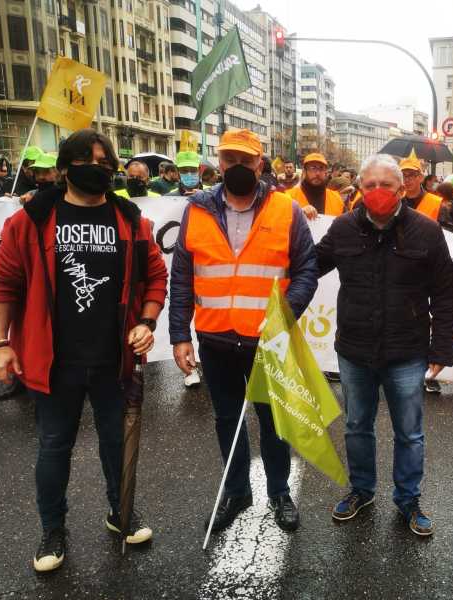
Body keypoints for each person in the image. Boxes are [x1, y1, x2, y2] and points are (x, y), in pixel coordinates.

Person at [0, 128, 168, 572]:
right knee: (53, 447)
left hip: (113, 361)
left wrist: (146, 321)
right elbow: (3, 283)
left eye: (107, 163)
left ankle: (119, 513)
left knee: (114, 444)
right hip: (54, 362)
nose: (100, 169)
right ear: (65, 168)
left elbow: (156, 277)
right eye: (89, 161)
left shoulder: (130, 218)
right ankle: (52, 529)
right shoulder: (31, 219)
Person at [169, 129, 318, 533]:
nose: (237, 167)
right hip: (216, 338)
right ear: (219, 163)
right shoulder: (195, 211)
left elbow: (307, 269)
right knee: (226, 419)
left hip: (267, 339)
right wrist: (179, 334)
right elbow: (182, 275)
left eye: (245, 160)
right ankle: (236, 492)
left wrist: (285, 314)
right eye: (229, 159)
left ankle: (279, 492)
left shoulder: (285, 209)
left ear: (260, 163)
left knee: (273, 422)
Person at [316, 153, 453, 536]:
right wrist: (303, 227)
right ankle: (362, 490)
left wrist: (442, 348)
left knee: (409, 432)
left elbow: (445, 293)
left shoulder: (426, 232)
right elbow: (310, 265)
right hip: (355, 350)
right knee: (357, 426)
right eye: (370, 185)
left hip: (407, 352)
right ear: (360, 188)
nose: (378, 192)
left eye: (387, 185)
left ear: (402, 189)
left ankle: (408, 499)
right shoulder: (343, 228)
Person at [287, 152, 345, 219]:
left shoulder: (336, 198)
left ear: (326, 172)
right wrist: (298, 213)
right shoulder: (289, 197)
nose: (317, 173)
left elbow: (345, 225)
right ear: (304, 171)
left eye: (321, 168)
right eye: (313, 168)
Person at [399, 153, 446, 223]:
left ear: (421, 177)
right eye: (403, 175)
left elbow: (447, 232)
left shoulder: (436, 203)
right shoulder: (396, 201)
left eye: (411, 175)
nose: (407, 179)